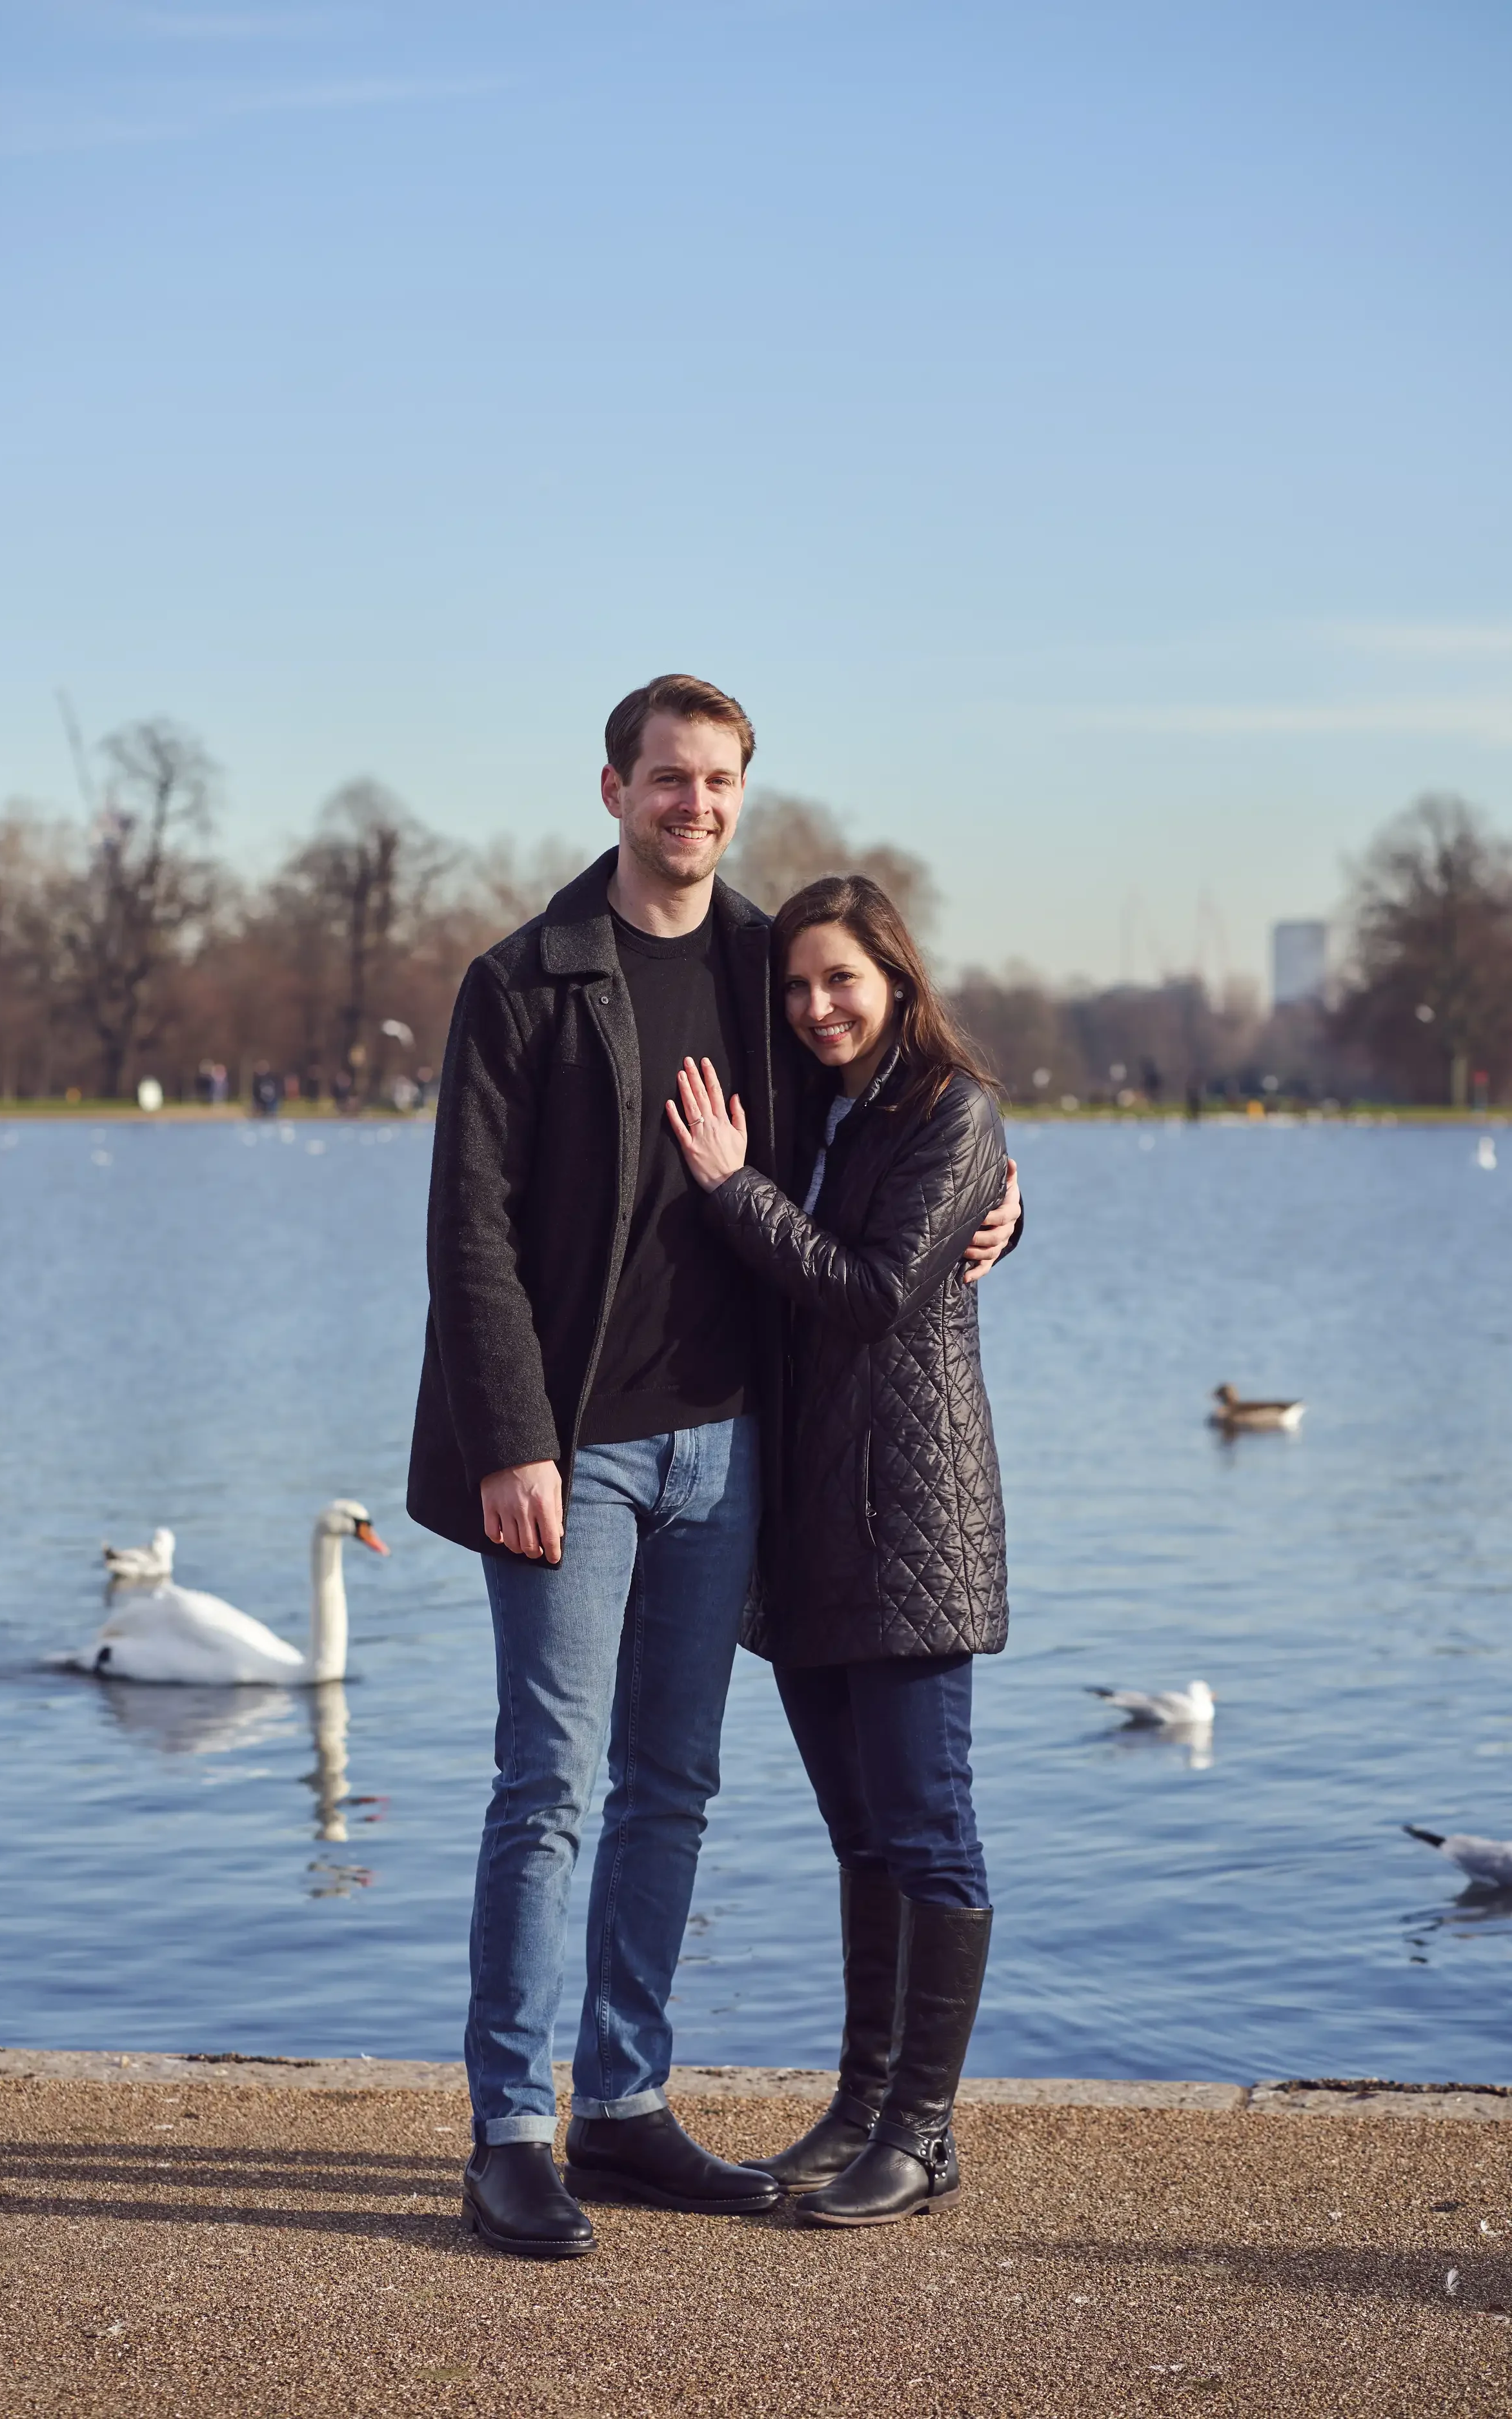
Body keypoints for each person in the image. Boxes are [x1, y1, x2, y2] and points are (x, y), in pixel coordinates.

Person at [407, 675, 1022, 2262]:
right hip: (575, 1449)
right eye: (666, 777)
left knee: (671, 1788)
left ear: (742, 794)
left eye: (719, 780)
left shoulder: (766, 966)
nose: (693, 804)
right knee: (548, 1783)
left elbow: (898, 1128)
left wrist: (1005, 1207)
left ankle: (621, 2099)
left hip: (731, 1447)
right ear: (610, 788)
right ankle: (508, 2131)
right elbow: (466, 1229)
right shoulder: (525, 976)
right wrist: (512, 1438)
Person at [668, 873, 1013, 2228]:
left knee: (930, 1830)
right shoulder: (819, 1107)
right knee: (857, 1833)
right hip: (805, 1531)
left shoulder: (950, 1112)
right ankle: (862, 2104)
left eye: (841, 982)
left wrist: (727, 1186)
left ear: (896, 980)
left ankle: (922, 2133)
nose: (816, 1008)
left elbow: (872, 1293)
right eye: (799, 986)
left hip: (913, 1524)